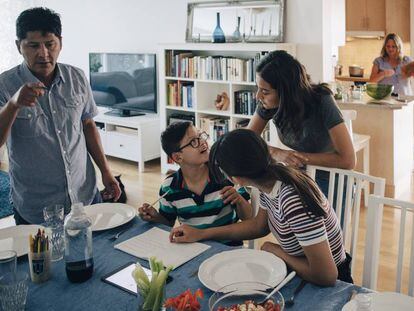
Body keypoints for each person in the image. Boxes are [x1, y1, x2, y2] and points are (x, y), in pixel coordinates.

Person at [170, 129, 353, 286]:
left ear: (237, 179)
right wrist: (201, 233)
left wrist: (275, 250)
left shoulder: (292, 200)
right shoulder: (271, 180)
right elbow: (259, 226)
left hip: (328, 283)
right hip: (303, 273)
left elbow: (327, 276)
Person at [0, 7, 121, 224]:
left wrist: (106, 171)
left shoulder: (77, 77)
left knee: (96, 256)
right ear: (19, 46)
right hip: (36, 207)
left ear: (60, 43)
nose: (43, 53)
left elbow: (88, 125)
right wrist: (13, 104)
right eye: (34, 45)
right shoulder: (4, 85)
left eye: (50, 44)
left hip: (85, 197)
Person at [246, 50, 355, 196]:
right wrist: (275, 152)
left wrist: (296, 157)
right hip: (300, 175)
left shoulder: (321, 100)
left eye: (265, 91)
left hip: (332, 179)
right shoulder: (268, 104)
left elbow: (348, 160)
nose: (257, 96)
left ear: (286, 93)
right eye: (258, 88)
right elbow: (245, 140)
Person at [138, 122, 252, 245]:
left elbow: (249, 217)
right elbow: (168, 224)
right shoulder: (169, 188)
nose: (202, 142)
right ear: (177, 157)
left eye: (201, 136)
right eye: (193, 141)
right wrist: (155, 217)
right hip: (192, 249)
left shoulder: (225, 174)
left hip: (228, 248)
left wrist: (239, 200)